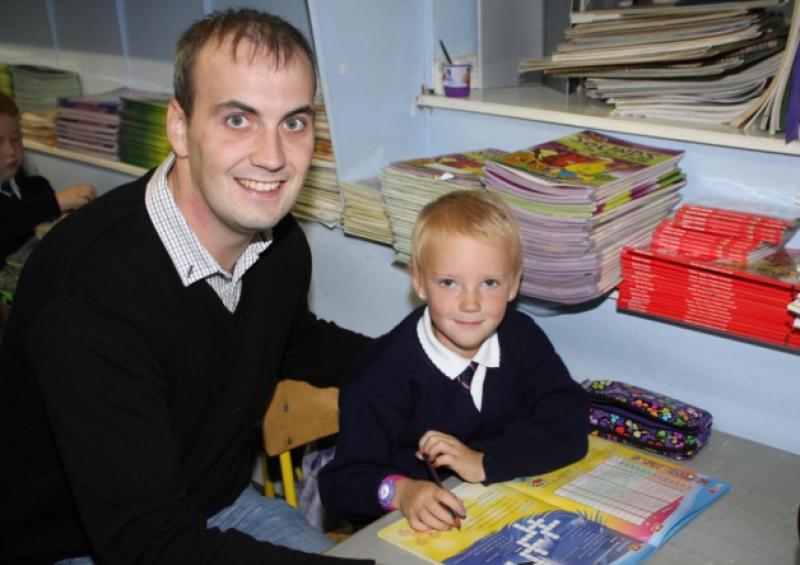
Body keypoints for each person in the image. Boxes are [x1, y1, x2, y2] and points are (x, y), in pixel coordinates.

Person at [0, 9, 374, 565]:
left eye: (293, 122)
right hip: (78, 544)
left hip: (211, 504)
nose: (272, 157)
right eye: (238, 119)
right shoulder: (90, 295)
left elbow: (300, 342)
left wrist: (435, 356)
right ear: (179, 127)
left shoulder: (279, 245)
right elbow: (147, 545)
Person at [319, 190, 589, 531]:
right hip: (411, 533)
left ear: (514, 284)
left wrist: (485, 463)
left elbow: (569, 421)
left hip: (504, 511)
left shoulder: (521, 338)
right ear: (419, 282)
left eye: (489, 282)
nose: (471, 303)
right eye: (449, 283)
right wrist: (402, 492)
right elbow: (342, 484)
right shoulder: (382, 374)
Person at [0, 91, 97, 267]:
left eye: (15, 139)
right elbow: (8, 220)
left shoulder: (38, 188)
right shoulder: (44, 202)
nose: (10, 152)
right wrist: (55, 202)